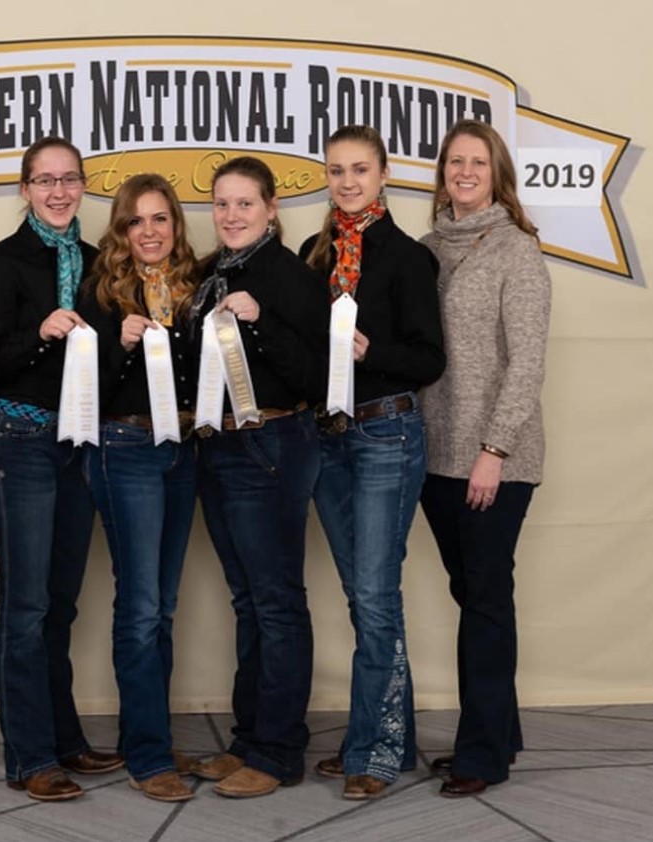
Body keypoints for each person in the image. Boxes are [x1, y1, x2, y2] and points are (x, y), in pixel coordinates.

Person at [0, 137, 123, 802]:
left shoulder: (97, 265)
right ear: (25, 188)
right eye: (44, 181)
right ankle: (29, 756)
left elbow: (109, 375)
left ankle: (65, 740)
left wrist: (126, 341)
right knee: (27, 604)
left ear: (83, 185)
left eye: (69, 180)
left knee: (60, 603)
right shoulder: (1, 264)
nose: (58, 192)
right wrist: (41, 333)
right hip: (21, 442)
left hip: (79, 447)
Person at [299, 125, 445, 800]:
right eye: (335, 171)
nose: (347, 181)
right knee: (362, 595)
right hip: (326, 439)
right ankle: (380, 733)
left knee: (377, 596)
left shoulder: (406, 257)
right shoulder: (311, 253)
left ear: (384, 175)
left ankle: (377, 750)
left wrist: (366, 351)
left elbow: (427, 360)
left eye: (359, 169)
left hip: (385, 434)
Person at [190, 156, 330, 798]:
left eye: (245, 203)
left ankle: (277, 751)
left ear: (272, 209)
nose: (232, 215)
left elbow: (317, 376)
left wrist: (260, 322)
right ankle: (250, 739)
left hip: (271, 444)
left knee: (276, 602)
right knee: (248, 600)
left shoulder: (290, 277)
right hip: (218, 447)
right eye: (222, 204)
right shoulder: (205, 275)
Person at [419, 119, 551, 797]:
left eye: (476, 162)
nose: (463, 173)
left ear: (496, 173)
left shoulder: (515, 253)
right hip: (433, 454)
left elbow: (525, 362)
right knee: (470, 593)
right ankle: (499, 729)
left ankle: (481, 755)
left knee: (486, 600)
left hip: (494, 457)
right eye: (452, 163)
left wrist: (492, 450)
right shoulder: (425, 249)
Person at [79, 174, 200, 802]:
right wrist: (111, 342)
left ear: (175, 226)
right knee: (142, 605)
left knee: (165, 605)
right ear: (121, 229)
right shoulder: (99, 290)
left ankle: (144, 734)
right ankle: (150, 756)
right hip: (123, 449)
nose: (149, 231)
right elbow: (75, 383)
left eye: (160, 219)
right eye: (136, 221)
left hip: (182, 450)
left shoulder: (195, 290)